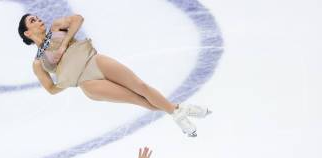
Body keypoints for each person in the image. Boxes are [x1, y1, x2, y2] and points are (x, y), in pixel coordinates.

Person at [18, 13, 211, 137]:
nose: (39, 19)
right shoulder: (38, 63)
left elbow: (78, 19)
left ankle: (178, 111)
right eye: (32, 20)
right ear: (27, 33)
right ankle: (179, 110)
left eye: (37, 17)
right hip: (87, 82)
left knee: (141, 87)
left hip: (95, 61)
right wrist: (66, 79)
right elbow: (51, 89)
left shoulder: (57, 27)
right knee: (139, 100)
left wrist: (64, 43)